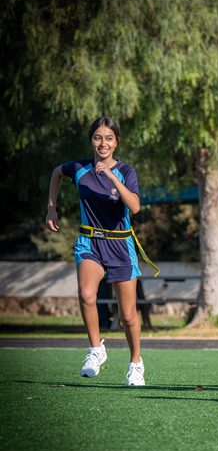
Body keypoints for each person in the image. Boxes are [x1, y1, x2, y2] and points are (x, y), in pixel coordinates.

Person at [45, 116, 151, 386]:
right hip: (89, 242)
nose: (103, 143)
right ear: (91, 140)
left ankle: (136, 363)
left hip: (120, 245)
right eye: (98, 137)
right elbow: (57, 172)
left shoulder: (126, 171)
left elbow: (135, 206)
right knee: (86, 294)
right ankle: (96, 349)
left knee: (128, 315)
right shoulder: (79, 168)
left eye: (109, 139)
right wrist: (51, 208)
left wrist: (111, 176)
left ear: (116, 143)